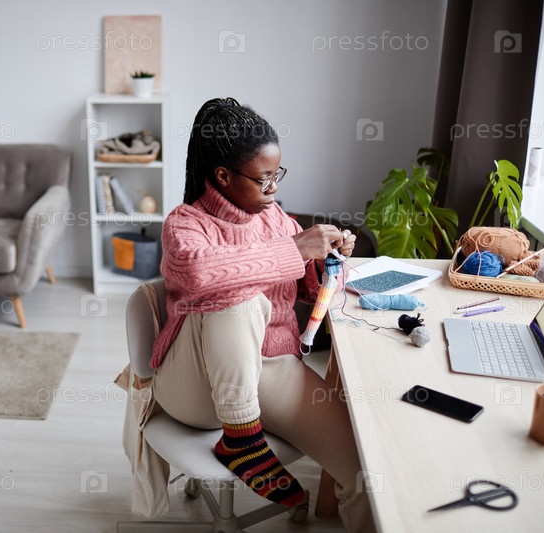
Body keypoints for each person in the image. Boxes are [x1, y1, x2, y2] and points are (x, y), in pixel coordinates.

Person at [150, 97, 376, 532]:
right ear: (223, 176)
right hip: (194, 383)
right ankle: (241, 437)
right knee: (238, 297)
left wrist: (330, 261)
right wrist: (294, 249)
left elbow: (316, 293)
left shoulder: (279, 220)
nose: (273, 188)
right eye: (263, 178)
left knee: (365, 467)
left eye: (277, 175)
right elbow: (200, 275)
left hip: (270, 369)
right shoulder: (184, 223)